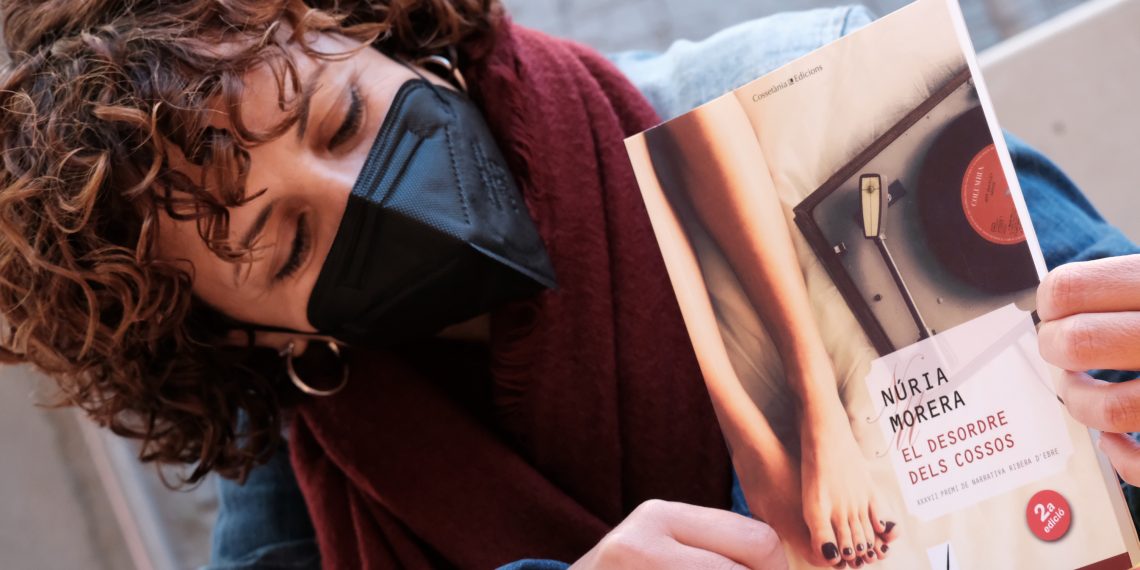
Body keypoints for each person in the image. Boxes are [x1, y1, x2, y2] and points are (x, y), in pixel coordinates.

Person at [0, 2, 1136, 570]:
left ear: (384, 32)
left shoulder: (818, 100)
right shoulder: (304, 501)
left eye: (345, 117)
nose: (360, 191)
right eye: (289, 246)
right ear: (245, 336)